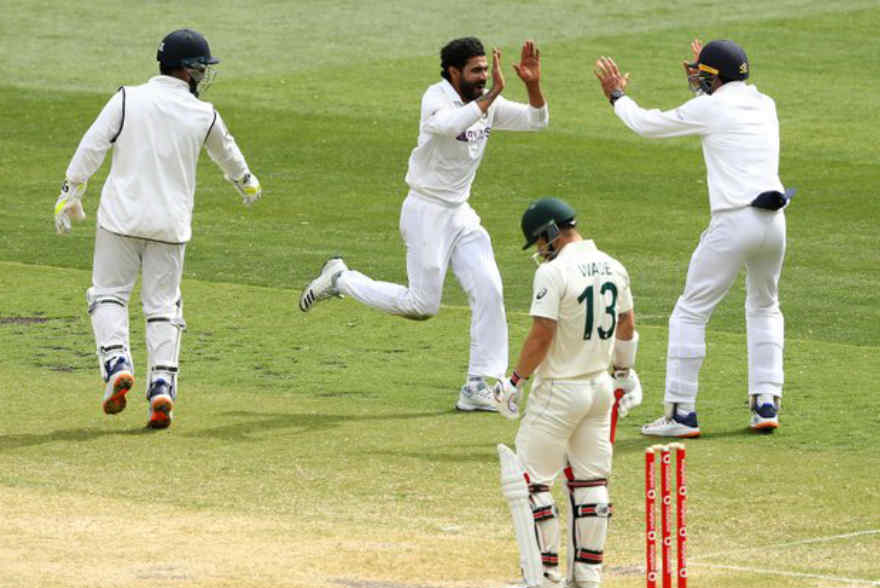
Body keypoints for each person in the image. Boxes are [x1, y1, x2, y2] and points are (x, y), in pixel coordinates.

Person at [298, 37, 548, 412]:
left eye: (485, 69)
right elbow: (450, 126)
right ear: (453, 72)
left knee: (490, 288)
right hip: (425, 210)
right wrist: (493, 93)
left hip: (460, 211)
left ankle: (478, 384)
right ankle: (340, 279)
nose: (483, 76)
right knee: (421, 306)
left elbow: (537, 122)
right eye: (475, 70)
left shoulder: (486, 101)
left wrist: (531, 85)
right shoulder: (436, 98)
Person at [53, 28, 261, 429]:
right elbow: (228, 152)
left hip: (120, 219)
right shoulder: (204, 113)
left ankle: (116, 364)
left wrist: (70, 192)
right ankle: (162, 386)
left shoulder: (128, 98)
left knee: (109, 294)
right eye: (201, 68)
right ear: (187, 70)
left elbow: (92, 144)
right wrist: (246, 182)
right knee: (164, 306)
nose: (203, 76)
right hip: (170, 224)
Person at [594, 39, 791, 438]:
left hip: (735, 220)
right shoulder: (765, 103)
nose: (695, 78)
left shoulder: (710, 107)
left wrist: (617, 96)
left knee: (690, 311)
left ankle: (681, 412)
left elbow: (647, 125)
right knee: (765, 306)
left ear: (713, 78)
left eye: (702, 73)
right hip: (775, 222)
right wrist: (708, 69)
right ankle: (765, 403)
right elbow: (721, 90)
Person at [493, 197, 642, 588]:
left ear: (552, 233)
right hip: (598, 389)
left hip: (559, 389)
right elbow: (627, 326)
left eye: (540, 242)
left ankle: (542, 579)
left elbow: (542, 334)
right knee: (591, 481)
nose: (540, 251)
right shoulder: (614, 265)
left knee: (529, 481)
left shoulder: (554, 273)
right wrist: (624, 376)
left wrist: (514, 380)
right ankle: (588, 575)